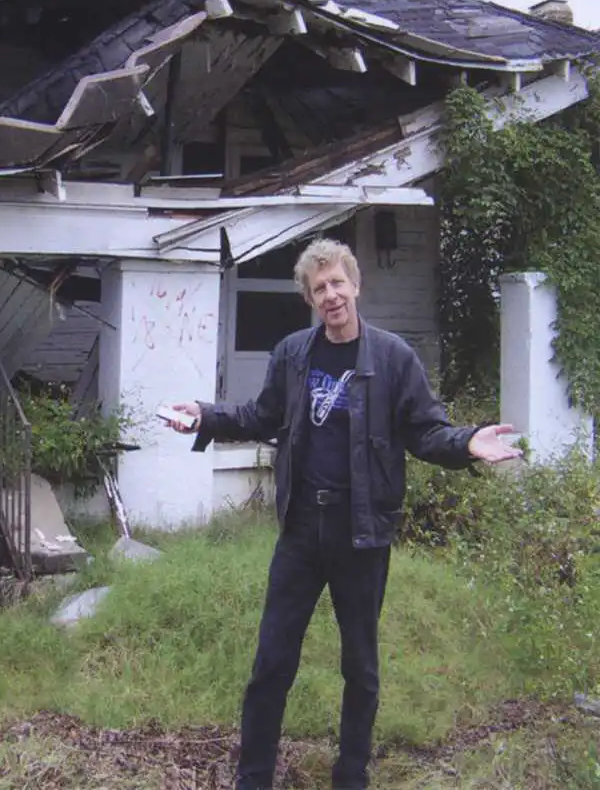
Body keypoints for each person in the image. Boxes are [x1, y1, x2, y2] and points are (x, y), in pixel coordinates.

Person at [165, 238, 521, 790]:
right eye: (319, 288)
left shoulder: (393, 358)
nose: (330, 295)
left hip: (363, 533)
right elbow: (261, 415)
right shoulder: (293, 354)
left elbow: (426, 430)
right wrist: (207, 416)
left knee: (360, 666)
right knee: (271, 662)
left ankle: (351, 775)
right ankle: (253, 778)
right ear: (310, 299)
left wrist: (467, 441)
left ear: (355, 285)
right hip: (301, 532)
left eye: (337, 283)